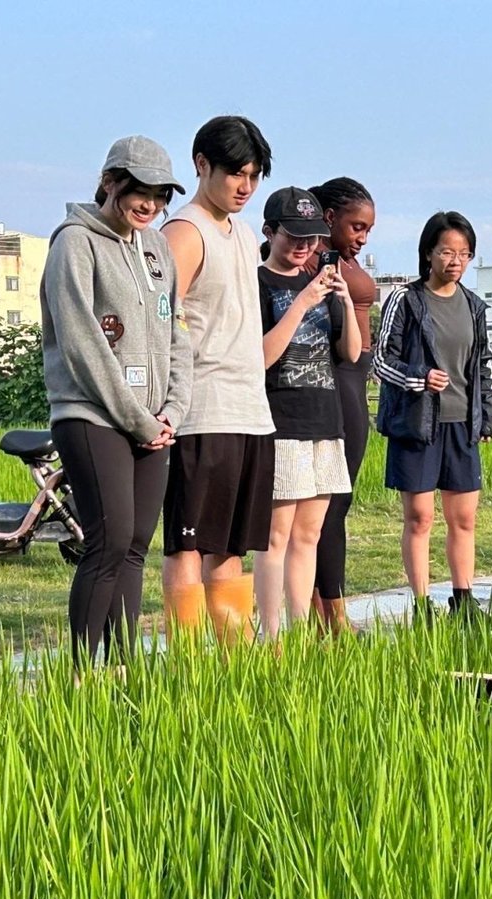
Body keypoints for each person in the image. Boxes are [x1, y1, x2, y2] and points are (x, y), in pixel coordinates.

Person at [42, 135, 191, 666]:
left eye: (160, 195)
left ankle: (126, 670)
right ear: (110, 182)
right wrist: (138, 420)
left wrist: (172, 411)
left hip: (154, 422)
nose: (150, 204)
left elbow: (177, 334)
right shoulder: (73, 244)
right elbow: (83, 345)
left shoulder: (156, 248)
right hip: (92, 414)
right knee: (107, 541)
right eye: (140, 191)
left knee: (134, 547)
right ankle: (82, 676)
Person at [159, 116, 277, 646]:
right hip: (201, 412)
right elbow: (158, 322)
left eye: (254, 175)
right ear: (201, 165)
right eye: (236, 174)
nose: (245, 187)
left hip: (249, 410)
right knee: (187, 546)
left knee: (231, 550)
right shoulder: (185, 232)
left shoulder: (243, 231)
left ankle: (235, 666)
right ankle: (188, 665)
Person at [374, 211, 492, 621]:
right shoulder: (406, 300)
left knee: (463, 518)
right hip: (417, 424)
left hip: (461, 424)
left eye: (465, 254)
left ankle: (463, 601)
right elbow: (381, 360)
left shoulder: (474, 305)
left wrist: (488, 416)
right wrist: (419, 378)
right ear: (429, 253)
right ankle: (421, 603)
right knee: (420, 517)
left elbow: (483, 362)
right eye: (447, 251)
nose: (455, 261)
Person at [253, 187, 361, 639]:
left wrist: (344, 302)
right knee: (275, 537)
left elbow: (351, 353)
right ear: (269, 232)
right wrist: (302, 303)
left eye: (313, 238)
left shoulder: (321, 283)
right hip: (283, 423)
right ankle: (271, 635)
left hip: (325, 421)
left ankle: (301, 633)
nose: (304, 247)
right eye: (294, 237)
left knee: (309, 535)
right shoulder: (257, 283)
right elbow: (260, 357)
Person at [308, 177, 377, 634]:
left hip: (355, 382)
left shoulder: (341, 261)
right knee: (329, 502)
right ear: (329, 218)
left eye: (368, 229)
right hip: (335, 380)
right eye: (356, 226)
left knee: (337, 502)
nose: (363, 237)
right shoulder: (316, 261)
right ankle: (329, 610)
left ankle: (327, 604)